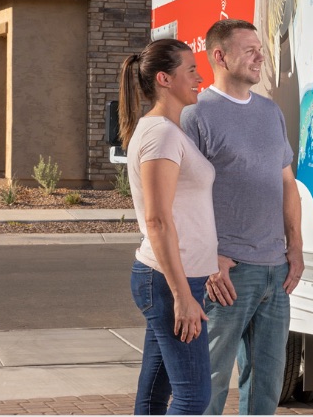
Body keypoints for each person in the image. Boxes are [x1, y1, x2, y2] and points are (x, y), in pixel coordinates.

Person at [181, 19, 304, 415]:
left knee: (267, 384)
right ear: (220, 56)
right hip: (228, 273)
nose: (260, 56)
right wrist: (209, 258)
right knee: (211, 382)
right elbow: (181, 196)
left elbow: (287, 184)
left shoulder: (270, 112)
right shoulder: (196, 115)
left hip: (276, 270)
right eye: (249, 49)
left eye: (260, 48)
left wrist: (296, 249)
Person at [118, 38, 217, 415]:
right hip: (168, 280)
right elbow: (158, 221)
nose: (199, 77)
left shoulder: (167, 131)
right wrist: (181, 295)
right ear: (164, 78)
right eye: (191, 70)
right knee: (193, 399)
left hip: (173, 277)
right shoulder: (160, 134)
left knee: (154, 399)